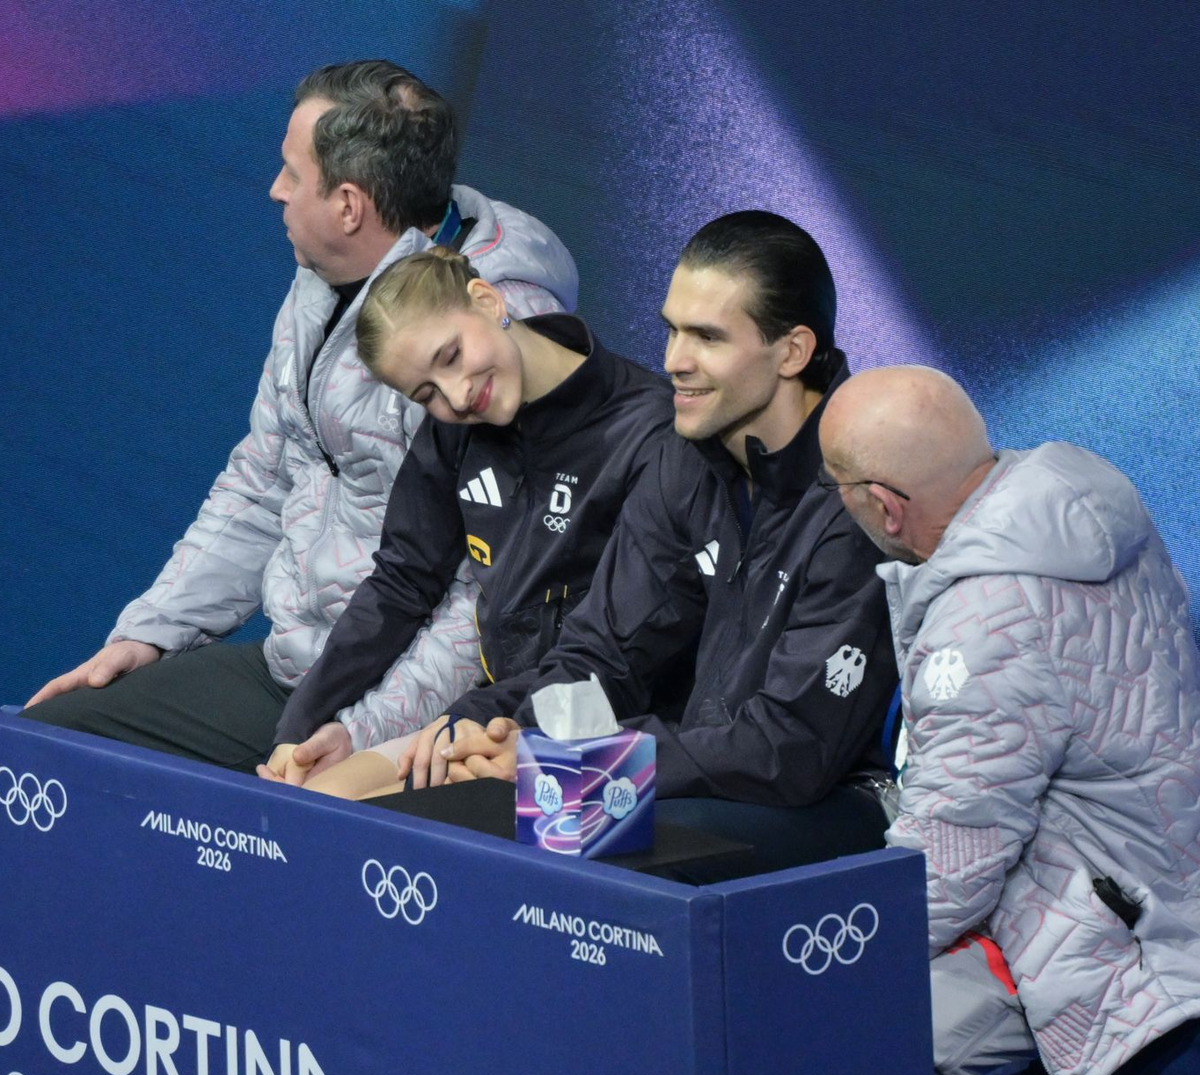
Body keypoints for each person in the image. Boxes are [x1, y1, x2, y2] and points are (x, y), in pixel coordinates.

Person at [21, 59, 577, 774]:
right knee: (52, 743)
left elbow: (488, 595)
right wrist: (153, 633)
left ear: (348, 205)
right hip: (303, 670)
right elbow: (263, 479)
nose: (275, 190)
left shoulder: (488, 341)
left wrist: (357, 732)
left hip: (436, 712)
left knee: (298, 835)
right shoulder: (318, 281)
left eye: (291, 173)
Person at [818, 365, 1200, 1075]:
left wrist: (833, 952)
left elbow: (946, 868)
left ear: (885, 506)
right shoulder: (1071, 507)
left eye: (837, 487)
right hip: (1154, 867)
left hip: (1112, 936)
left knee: (873, 1022)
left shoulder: (986, 619)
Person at [427, 212, 899, 879]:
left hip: (835, 799)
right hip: (704, 773)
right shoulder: (688, 459)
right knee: (466, 806)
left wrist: (583, 761)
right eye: (672, 329)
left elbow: (790, 749)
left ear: (792, 351)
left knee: (563, 829)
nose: (674, 359)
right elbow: (604, 652)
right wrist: (503, 725)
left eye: (705, 336)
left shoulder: (857, 492)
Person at [261, 245, 675, 795]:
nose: (456, 395)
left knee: (346, 813)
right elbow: (402, 581)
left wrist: (476, 717)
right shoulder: (457, 426)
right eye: (425, 393)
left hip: (604, 730)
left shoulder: (651, 432)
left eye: (451, 355)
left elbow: (616, 655)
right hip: (496, 717)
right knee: (309, 793)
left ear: (486, 300)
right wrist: (302, 725)